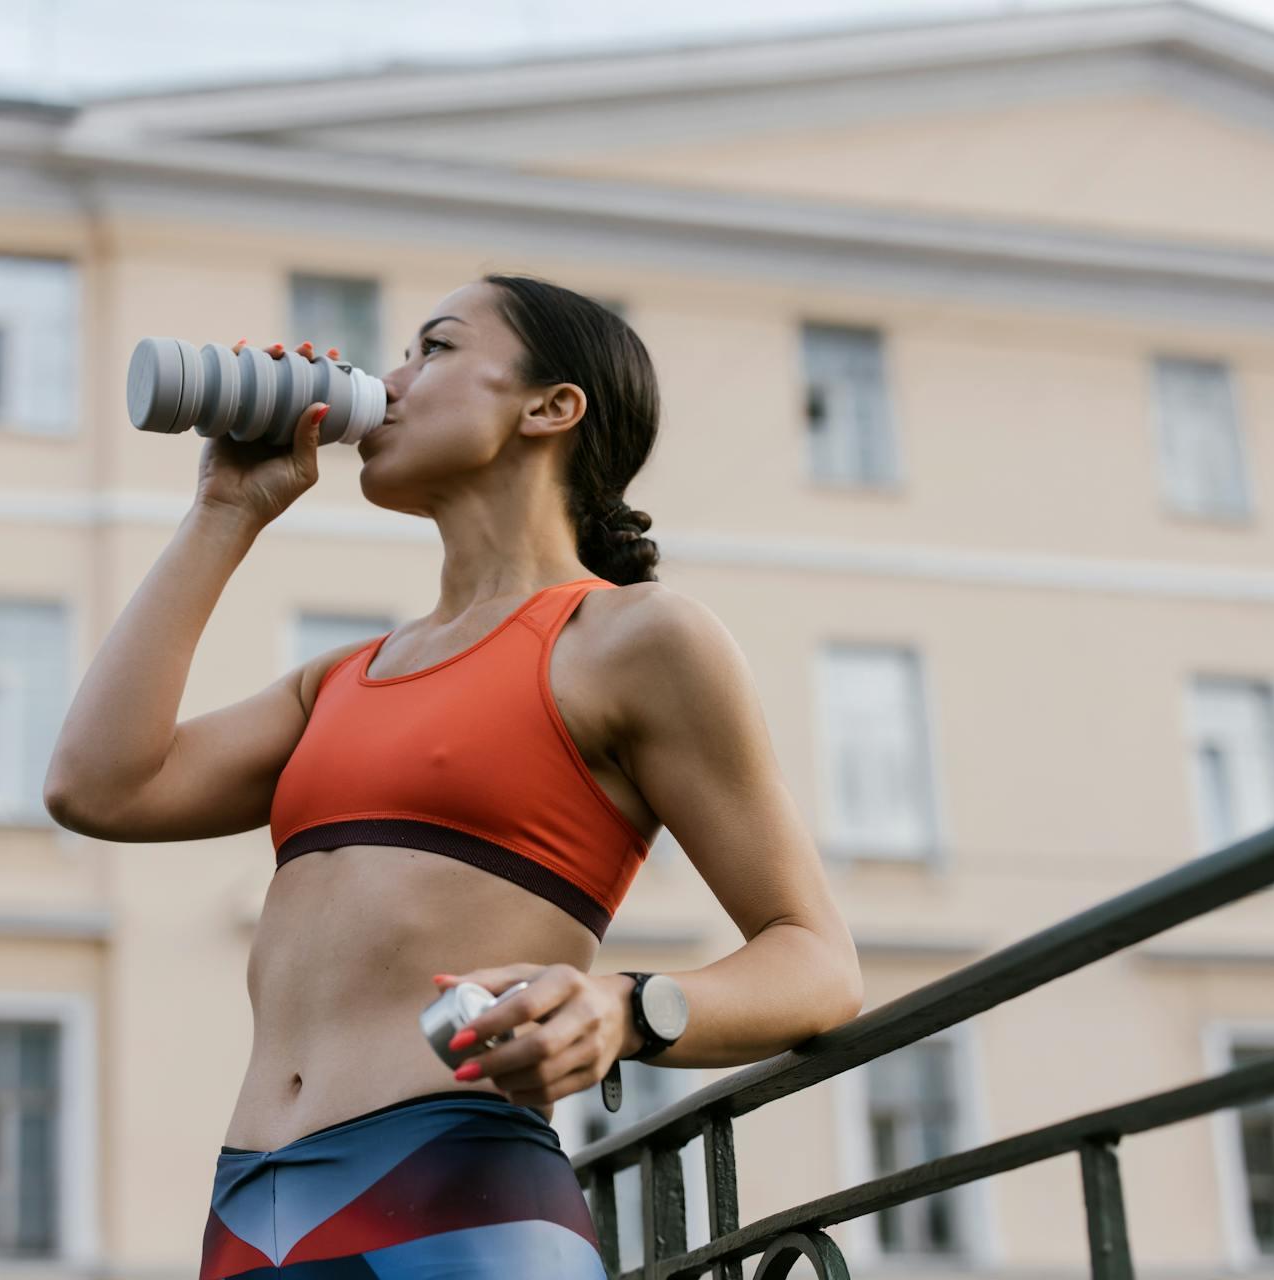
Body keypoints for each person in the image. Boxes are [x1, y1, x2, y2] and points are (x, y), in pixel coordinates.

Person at [44, 275, 864, 1276]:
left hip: (452, 1192)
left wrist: (627, 1008)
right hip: (248, 1208)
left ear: (549, 406)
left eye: (432, 348)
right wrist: (225, 507)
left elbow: (819, 961)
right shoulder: (337, 678)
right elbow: (95, 784)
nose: (388, 382)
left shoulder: (634, 637)